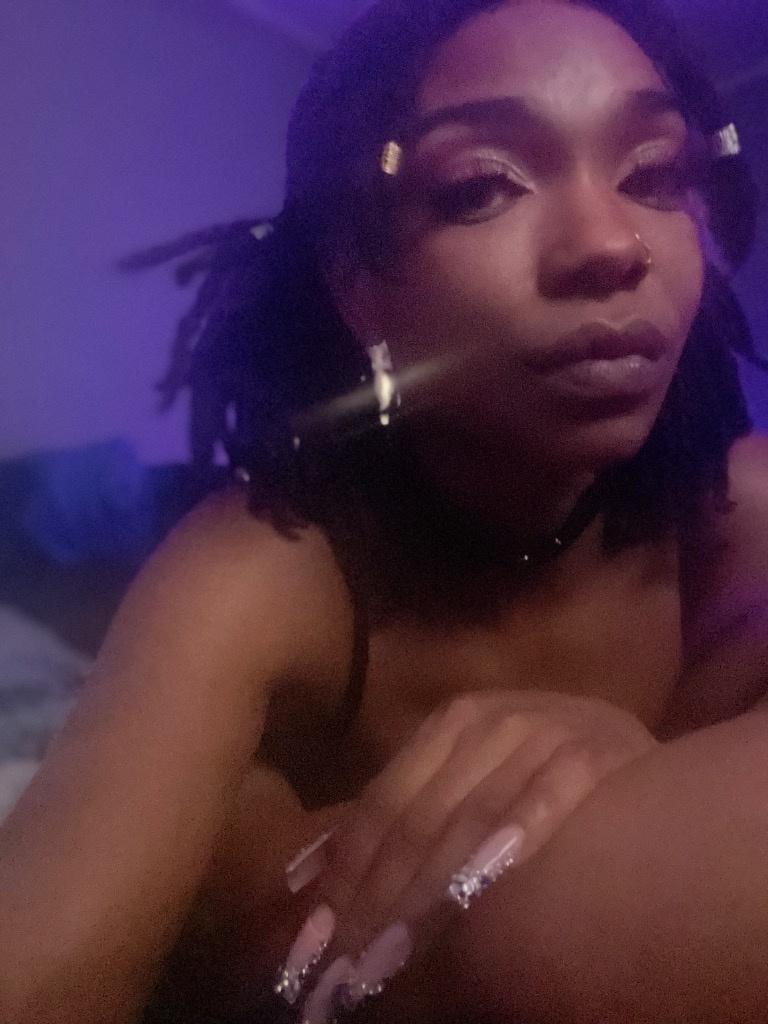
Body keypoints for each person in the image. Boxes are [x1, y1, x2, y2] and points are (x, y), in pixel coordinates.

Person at [3, 0, 768, 1021]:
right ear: (360, 286)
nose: (611, 243)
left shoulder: (739, 520)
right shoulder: (267, 569)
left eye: (655, 174)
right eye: (481, 186)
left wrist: (643, 775)